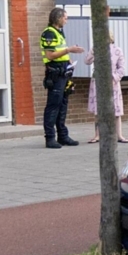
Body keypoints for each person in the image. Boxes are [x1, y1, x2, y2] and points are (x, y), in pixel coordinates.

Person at [40, 8, 84, 149]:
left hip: (63, 72)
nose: (66, 20)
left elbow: (61, 52)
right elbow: (50, 55)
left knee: (63, 105)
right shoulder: (49, 33)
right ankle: (50, 138)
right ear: (58, 18)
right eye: (65, 18)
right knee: (53, 105)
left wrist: (69, 62)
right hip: (55, 73)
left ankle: (63, 136)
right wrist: (69, 50)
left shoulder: (59, 32)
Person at [84, 31, 128, 143]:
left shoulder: (117, 50)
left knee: (116, 109)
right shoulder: (96, 48)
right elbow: (87, 61)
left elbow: (122, 68)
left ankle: (119, 135)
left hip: (112, 82)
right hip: (98, 81)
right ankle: (97, 135)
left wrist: (114, 78)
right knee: (98, 109)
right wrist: (93, 51)